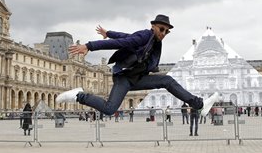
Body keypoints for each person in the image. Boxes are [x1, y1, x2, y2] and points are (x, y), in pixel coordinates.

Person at [55, 15, 219, 118]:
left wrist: (109, 33)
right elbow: (121, 42)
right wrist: (89, 46)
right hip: (125, 78)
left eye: (167, 32)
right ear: (153, 26)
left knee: (167, 80)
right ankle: (79, 95)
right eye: (161, 29)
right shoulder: (145, 36)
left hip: (138, 78)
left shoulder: (153, 40)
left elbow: (126, 36)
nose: (163, 33)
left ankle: (200, 104)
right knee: (110, 109)